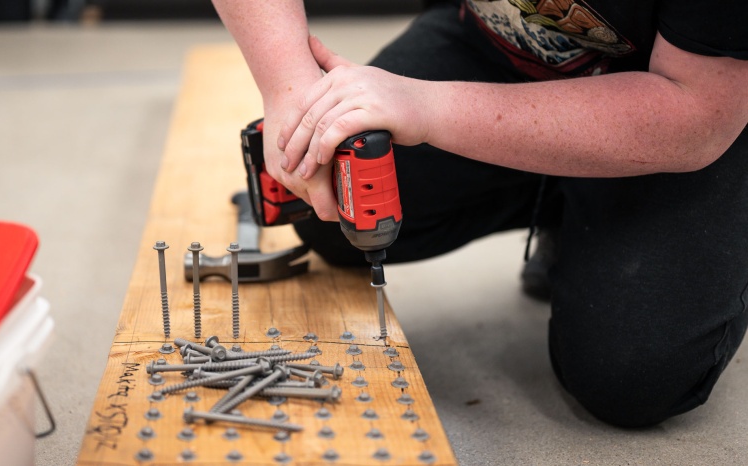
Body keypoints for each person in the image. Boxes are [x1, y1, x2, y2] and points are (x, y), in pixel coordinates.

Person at [211, 0, 748, 427]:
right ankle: (564, 195)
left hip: (681, 92)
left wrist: (426, 108)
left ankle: (610, 193)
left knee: (631, 374)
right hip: (501, 37)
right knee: (327, 210)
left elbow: (696, 113)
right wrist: (287, 85)